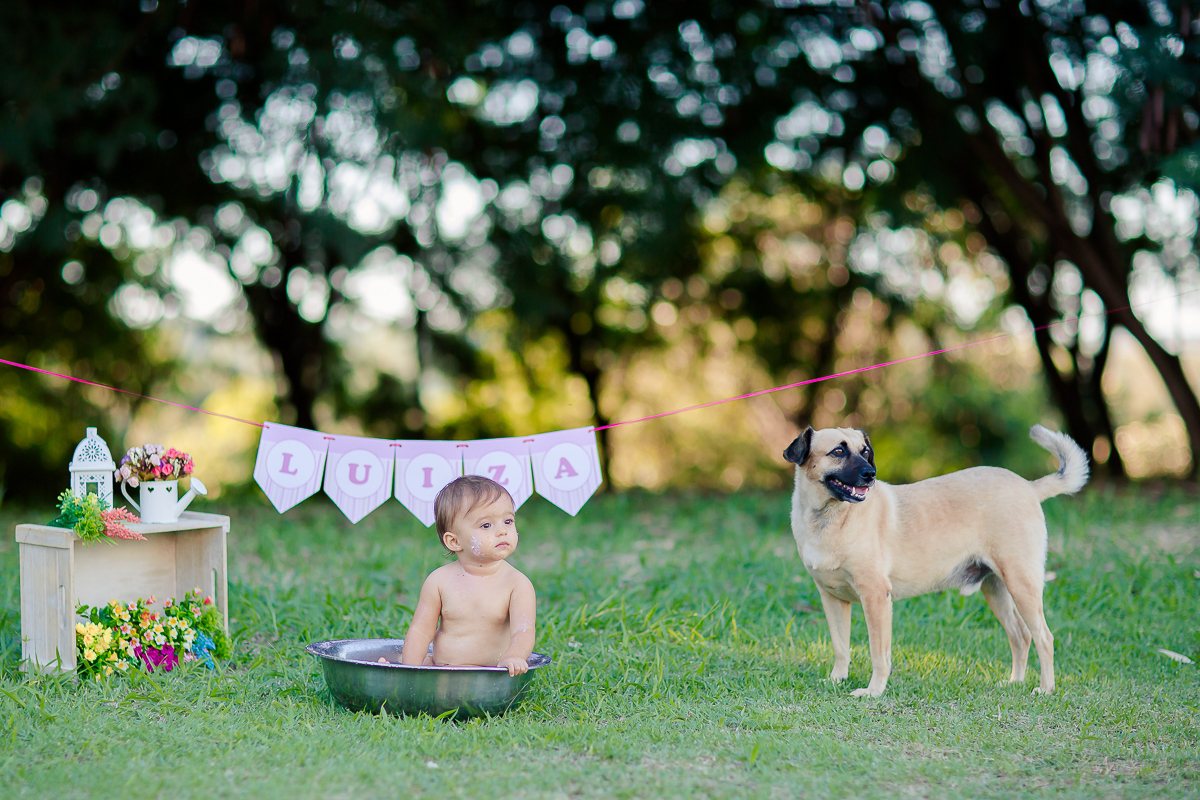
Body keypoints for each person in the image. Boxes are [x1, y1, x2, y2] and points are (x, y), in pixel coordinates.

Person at [399, 475, 536, 675]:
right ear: (454, 541)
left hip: (487, 675)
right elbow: (420, 631)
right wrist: (409, 669)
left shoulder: (517, 584)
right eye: (486, 525)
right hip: (441, 669)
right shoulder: (439, 581)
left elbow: (523, 631)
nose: (502, 531)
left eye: (508, 521)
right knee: (415, 663)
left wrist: (514, 656)